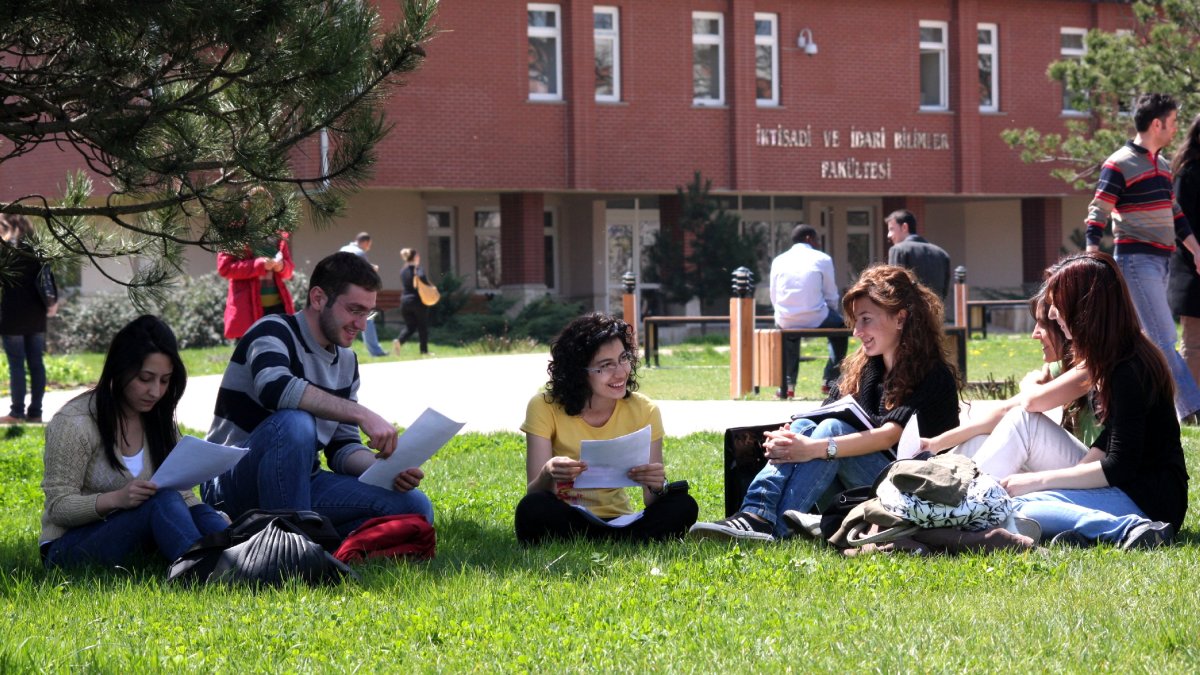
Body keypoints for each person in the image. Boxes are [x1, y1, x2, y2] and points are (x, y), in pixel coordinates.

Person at [689, 265, 961, 542]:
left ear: (900, 318)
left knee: (832, 430)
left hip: (916, 493)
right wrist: (789, 437)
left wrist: (811, 448)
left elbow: (889, 435)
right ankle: (756, 513)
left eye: (866, 319)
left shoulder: (931, 373)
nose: (857, 331)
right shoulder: (869, 369)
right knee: (808, 424)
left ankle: (771, 529)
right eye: (855, 321)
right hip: (870, 484)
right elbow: (821, 414)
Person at [203, 252, 433, 537]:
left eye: (367, 313)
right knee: (295, 422)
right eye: (354, 310)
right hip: (230, 484)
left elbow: (343, 448)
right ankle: (293, 548)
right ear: (318, 298)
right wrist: (362, 414)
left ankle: (306, 537)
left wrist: (386, 470)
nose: (361, 325)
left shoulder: (346, 362)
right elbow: (275, 388)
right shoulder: (273, 330)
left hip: (300, 484)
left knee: (415, 507)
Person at [1005, 252, 1186, 549]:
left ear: (1085, 309)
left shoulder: (1128, 369)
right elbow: (1111, 440)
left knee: (1022, 506)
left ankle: (1129, 529)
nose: (1052, 315)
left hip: (1149, 502)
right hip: (1132, 492)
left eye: (1057, 306)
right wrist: (1061, 480)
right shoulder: (1116, 358)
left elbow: (1119, 466)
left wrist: (1039, 481)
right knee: (1021, 503)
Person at [40, 316, 228, 568]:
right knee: (164, 500)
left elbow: (183, 495)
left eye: (164, 380)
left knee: (199, 511)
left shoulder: (158, 419)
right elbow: (58, 506)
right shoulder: (74, 422)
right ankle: (201, 570)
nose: (156, 391)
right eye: (145, 378)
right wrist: (116, 499)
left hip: (134, 533)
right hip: (66, 547)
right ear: (120, 370)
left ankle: (245, 560)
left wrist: (214, 523)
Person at [515, 313, 698, 543]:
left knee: (683, 505)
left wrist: (656, 485)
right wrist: (547, 472)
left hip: (620, 519)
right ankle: (618, 540)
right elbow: (535, 492)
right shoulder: (543, 406)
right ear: (579, 372)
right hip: (567, 515)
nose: (621, 372)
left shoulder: (645, 410)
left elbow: (652, 501)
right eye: (606, 365)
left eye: (624, 358)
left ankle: (608, 538)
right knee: (531, 508)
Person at [1085, 92, 1200, 421]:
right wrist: (1093, 251)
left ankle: (1124, 403)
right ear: (1156, 124)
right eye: (1174, 121)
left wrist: (1196, 250)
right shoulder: (1119, 163)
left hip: (1160, 262)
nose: (1176, 128)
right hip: (1136, 261)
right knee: (1164, 337)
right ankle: (1191, 408)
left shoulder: (1162, 165)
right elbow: (1098, 209)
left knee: (1143, 340)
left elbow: (1175, 213)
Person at [922, 292, 1096, 479]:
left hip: (1096, 475)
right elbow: (1004, 410)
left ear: (1063, 326)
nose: (1034, 334)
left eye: (1043, 324)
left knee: (1025, 421)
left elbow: (1030, 403)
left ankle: (961, 498)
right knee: (981, 440)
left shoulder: (1091, 367)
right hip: (1079, 463)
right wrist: (936, 444)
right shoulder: (1061, 366)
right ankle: (931, 482)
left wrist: (1029, 384)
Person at [768, 225, 847, 398]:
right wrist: (830, 312)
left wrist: (782, 313)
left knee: (789, 336)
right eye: (817, 239)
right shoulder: (822, 259)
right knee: (841, 327)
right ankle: (830, 380)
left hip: (785, 317)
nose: (818, 243)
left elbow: (773, 294)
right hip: (816, 316)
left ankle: (787, 385)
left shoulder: (779, 260)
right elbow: (831, 294)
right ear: (809, 238)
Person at [1, 214, 56, 425]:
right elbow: (48, 279)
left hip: (13, 315)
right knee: (36, 363)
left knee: (17, 364)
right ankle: (36, 413)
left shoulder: (6, 249)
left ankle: (16, 413)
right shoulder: (38, 248)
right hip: (36, 314)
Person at [216, 231, 295, 340]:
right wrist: (260, 265)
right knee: (251, 354)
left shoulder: (278, 234)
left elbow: (289, 271)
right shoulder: (234, 232)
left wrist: (282, 266)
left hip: (278, 307)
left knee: (281, 351)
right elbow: (225, 268)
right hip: (247, 311)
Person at [1169, 113, 1200, 388]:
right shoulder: (1187, 171)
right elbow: (1180, 221)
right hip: (1193, 271)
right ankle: (1189, 407)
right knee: (1194, 343)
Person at [885, 209, 951, 300]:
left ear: (904, 227)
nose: (889, 235)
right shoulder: (941, 253)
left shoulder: (898, 250)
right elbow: (944, 291)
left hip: (908, 312)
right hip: (935, 311)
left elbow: (895, 287)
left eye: (891, 229)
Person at [340, 232, 387, 357]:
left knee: (342, 321)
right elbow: (365, 274)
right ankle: (376, 351)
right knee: (368, 319)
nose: (369, 248)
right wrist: (373, 269)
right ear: (365, 242)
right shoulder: (360, 253)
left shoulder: (343, 250)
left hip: (341, 292)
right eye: (369, 245)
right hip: (356, 293)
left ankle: (338, 349)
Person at [393, 247, 431, 356]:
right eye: (418, 256)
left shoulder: (403, 270)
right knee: (422, 326)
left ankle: (399, 341)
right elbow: (422, 278)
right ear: (414, 257)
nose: (419, 258)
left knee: (411, 326)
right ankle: (424, 351)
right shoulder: (417, 269)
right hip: (418, 301)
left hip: (405, 301)